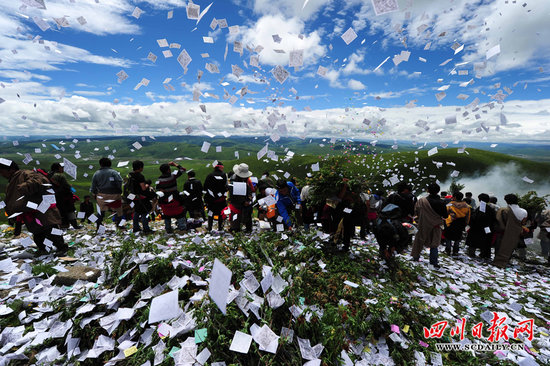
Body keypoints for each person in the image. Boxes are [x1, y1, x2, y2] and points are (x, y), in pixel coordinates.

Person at [0, 160, 68, 255]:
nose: (1, 174)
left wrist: (27, 185)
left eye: (2, 171)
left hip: (42, 208)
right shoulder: (11, 181)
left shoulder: (25, 173)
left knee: (51, 229)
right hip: (29, 212)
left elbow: (40, 180)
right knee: (38, 234)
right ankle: (44, 249)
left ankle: (62, 247)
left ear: (11, 169)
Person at [411, 183, 448, 269]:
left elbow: (416, 211)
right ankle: (434, 262)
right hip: (436, 225)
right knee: (434, 244)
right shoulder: (442, 202)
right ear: (438, 191)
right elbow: (445, 216)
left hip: (423, 224)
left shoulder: (422, 200)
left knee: (419, 240)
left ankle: (416, 257)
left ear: (428, 190)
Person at [493, 194, 527, 268]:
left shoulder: (503, 210)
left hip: (504, 232)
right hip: (516, 232)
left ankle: (498, 261)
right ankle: (507, 260)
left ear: (506, 201)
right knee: (511, 247)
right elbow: (523, 223)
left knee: (501, 246)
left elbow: (499, 221)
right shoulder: (524, 211)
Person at [90, 157, 123, 230]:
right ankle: (119, 224)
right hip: (114, 194)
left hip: (102, 195)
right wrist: (119, 191)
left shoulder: (96, 173)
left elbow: (93, 186)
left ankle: (99, 225)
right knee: (118, 210)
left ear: (100, 164)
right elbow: (119, 181)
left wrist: (95, 194)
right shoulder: (114, 172)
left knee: (101, 211)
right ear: (110, 164)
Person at [156, 162, 187, 233]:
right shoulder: (172, 176)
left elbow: (158, 189)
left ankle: (168, 229)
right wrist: (175, 164)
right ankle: (182, 228)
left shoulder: (159, 180)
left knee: (167, 215)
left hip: (164, 200)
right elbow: (183, 169)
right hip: (175, 198)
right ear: (168, 170)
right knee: (180, 214)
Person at [465, 193, 497, 262]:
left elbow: (477, 217)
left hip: (477, 227)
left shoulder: (482, 207)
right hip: (487, 228)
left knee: (473, 241)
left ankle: (472, 253)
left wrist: (471, 223)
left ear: (480, 199)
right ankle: (485, 254)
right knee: (486, 241)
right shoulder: (491, 208)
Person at [49, 162, 80, 229]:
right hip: (63, 196)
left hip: (54, 196)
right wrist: (72, 190)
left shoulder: (49, 175)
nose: (63, 169)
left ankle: (60, 225)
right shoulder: (60, 175)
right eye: (61, 167)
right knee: (70, 211)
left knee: (58, 211)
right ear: (58, 168)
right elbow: (66, 186)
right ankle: (73, 225)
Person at [127, 160, 153, 234]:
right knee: (144, 212)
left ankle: (136, 227)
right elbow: (143, 188)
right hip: (140, 196)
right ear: (140, 167)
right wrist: (147, 185)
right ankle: (146, 228)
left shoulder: (130, 174)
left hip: (132, 196)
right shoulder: (140, 176)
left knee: (137, 211)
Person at [228, 163, 255, 233]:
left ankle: (248, 229)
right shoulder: (233, 180)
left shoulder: (245, 179)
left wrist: (249, 198)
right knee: (236, 222)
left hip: (245, 203)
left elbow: (248, 189)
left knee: (247, 218)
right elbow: (234, 195)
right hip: (236, 203)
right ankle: (235, 229)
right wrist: (243, 201)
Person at [443, 191, 471, 256]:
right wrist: (466, 223)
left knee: (448, 237)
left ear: (455, 197)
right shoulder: (467, 206)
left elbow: (446, 213)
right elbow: (468, 216)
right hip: (461, 223)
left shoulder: (450, 204)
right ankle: (455, 251)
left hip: (451, 222)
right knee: (458, 237)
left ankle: (448, 250)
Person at [203, 161, 228, 232]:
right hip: (221, 199)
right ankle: (220, 228)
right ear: (220, 167)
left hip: (211, 199)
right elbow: (226, 187)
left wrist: (212, 195)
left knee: (211, 213)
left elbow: (205, 187)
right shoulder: (224, 175)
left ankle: (210, 228)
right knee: (220, 213)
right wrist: (219, 194)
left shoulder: (209, 175)